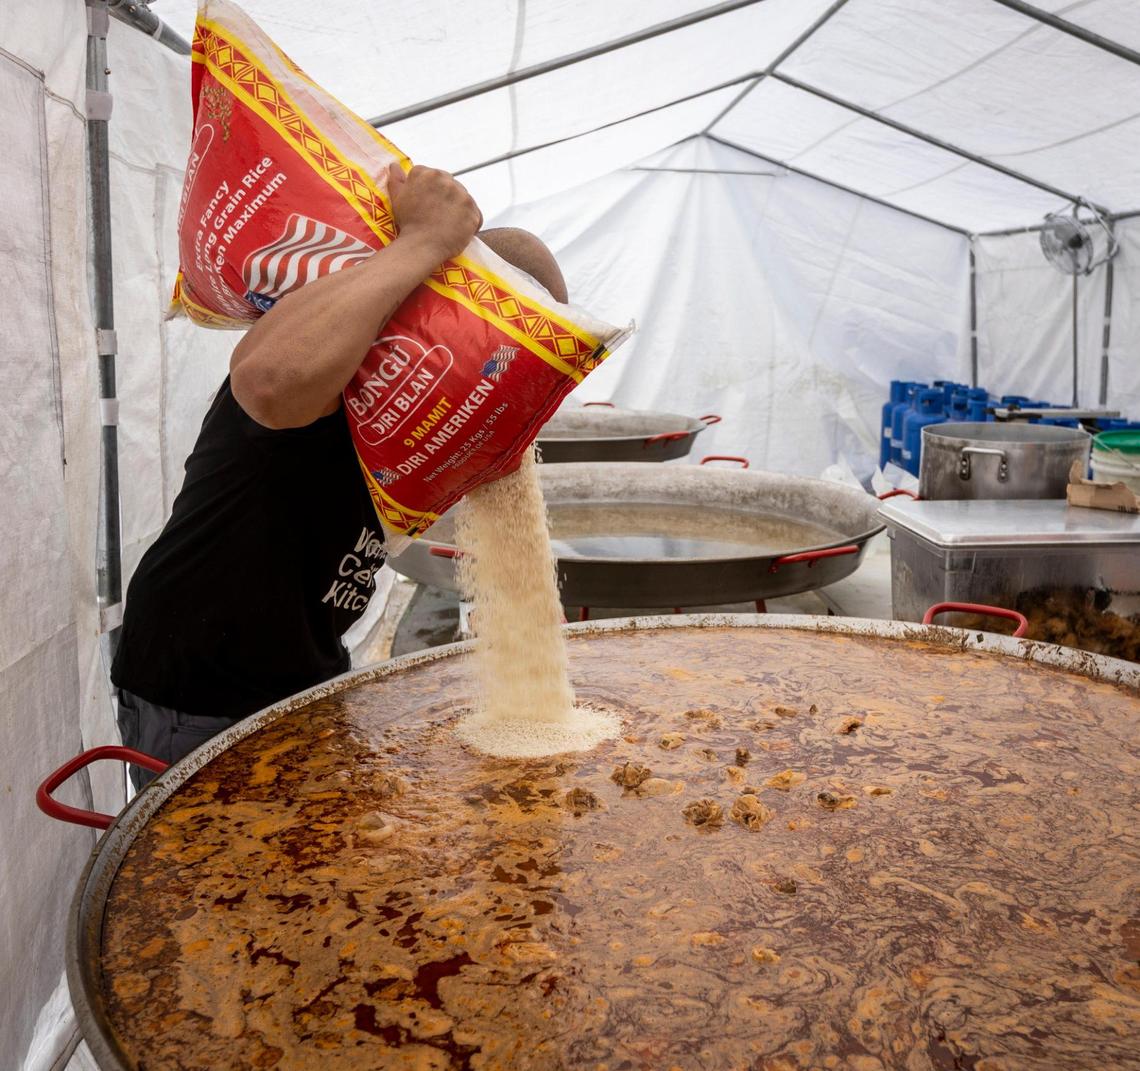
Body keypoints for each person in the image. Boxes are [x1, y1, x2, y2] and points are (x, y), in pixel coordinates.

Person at [112, 164, 568, 789]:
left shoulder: (425, 410)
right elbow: (267, 380)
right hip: (203, 689)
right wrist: (425, 241)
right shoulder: (339, 367)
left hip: (304, 668)